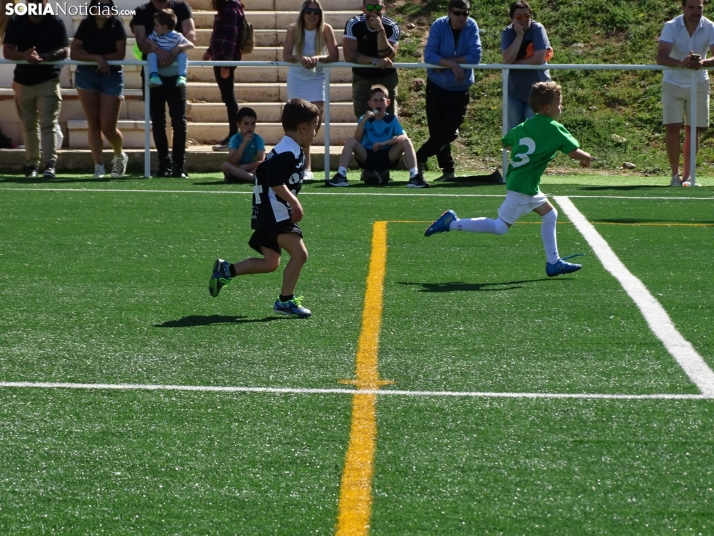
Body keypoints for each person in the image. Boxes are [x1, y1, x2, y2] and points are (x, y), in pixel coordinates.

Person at [425, 81, 592, 277]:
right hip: (523, 187)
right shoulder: (555, 128)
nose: (561, 106)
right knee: (500, 227)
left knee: (550, 214)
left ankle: (553, 262)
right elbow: (573, 153)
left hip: (523, 182)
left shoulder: (525, 126)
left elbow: (507, 143)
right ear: (547, 108)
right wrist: (587, 157)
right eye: (559, 103)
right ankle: (452, 222)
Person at [208, 99, 320, 318]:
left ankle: (226, 270)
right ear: (303, 127)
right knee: (300, 254)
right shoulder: (288, 151)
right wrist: (294, 203)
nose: (315, 133)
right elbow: (274, 180)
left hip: (268, 212)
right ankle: (285, 301)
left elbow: (264, 172)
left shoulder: (288, 149)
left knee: (270, 263)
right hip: (275, 212)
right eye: (315, 127)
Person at [2, 0, 68, 178]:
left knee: (48, 125)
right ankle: (32, 165)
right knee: (28, 125)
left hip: (48, 79)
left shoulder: (55, 21)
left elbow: (63, 50)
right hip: (23, 81)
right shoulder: (16, 20)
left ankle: (49, 164)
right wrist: (24, 55)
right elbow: (7, 51)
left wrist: (44, 57)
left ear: (46, 2)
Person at [417, 0, 481, 181]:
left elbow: (475, 57)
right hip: (436, 85)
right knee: (436, 130)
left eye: (465, 13)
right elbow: (429, 55)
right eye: (457, 13)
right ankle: (447, 170)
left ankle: (417, 158)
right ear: (449, 12)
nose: (461, 17)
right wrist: (452, 64)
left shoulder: (472, 26)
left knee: (448, 131)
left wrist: (443, 61)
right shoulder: (439, 25)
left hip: (460, 88)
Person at [132, 0, 196, 178]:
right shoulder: (142, 11)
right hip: (154, 77)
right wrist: (160, 52)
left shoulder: (181, 7)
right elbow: (141, 41)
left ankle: (179, 166)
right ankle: (164, 164)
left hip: (176, 77)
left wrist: (175, 50)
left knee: (179, 121)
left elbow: (191, 36)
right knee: (158, 122)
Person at [656, 0, 714, 187]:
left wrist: (702, 63)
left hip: (699, 83)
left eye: (699, 8)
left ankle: (688, 177)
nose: (696, 11)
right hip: (673, 82)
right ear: (683, 8)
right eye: (691, 7)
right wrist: (681, 62)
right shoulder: (671, 26)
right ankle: (675, 176)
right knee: (672, 128)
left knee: (693, 129)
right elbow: (661, 57)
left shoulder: (710, 26)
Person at [70, 0, 129, 178]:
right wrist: (97, 59)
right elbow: (74, 52)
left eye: (108, 5)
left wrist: (98, 59)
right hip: (86, 75)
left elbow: (120, 54)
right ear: (93, 8)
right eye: (101, 5)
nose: (105, 9)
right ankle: (99, 166)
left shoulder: (116, 24)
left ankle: (119, 155)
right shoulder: (86, 24)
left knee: (108, 127)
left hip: (111, 76)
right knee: (93, 124)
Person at [327, 84, 427, 188]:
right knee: (351, 141)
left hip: (387, 156)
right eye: (375, 100)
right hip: (367, 156)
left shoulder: (392, 119)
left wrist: (384, 143)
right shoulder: (364, 118)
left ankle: (414, 177)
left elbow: (403, 137)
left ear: (387, 102)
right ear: (370, 103)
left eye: (382, 100)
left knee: (406, 141)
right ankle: (341, 176)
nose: (378, 103)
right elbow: (357, 139)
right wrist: (363, 121)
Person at [282, 0, 339, 179]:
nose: (312, 15)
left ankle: (303, 163)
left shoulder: (326, 29)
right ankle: (305, 166)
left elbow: (334, 55)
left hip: (316, 77)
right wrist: (300, 58)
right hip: (297, 78)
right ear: (303, 12)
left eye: (316, 11)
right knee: (297, 122)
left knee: (315, 120)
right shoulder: (293, 29)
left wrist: (316, 58)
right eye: (308, 11)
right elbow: (286, 55)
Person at [342, 0, 400, 119]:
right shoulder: (353, 24)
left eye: (378, 7)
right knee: (363, 120)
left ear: (383, 8)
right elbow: (348, 55)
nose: (374, 10)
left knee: (388, 119)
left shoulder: (392, 26)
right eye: (369, 7)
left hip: (386, 77)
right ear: (363, 9)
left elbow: (387, 55)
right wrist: (374, 61)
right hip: (362, 76)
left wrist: (380, 30)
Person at [501, 1, 552, 131]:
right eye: (518, 17)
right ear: (511, 18)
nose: (523, 20)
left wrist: (514, 63)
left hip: (538, 92)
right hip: (514, 91)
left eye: (526, 16)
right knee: (515, 132)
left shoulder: (538, 29)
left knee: (533, 132)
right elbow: (508, 58)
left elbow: (538, 58)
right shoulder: (507, 33)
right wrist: (519, 35)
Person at [204, 0, 245, 151]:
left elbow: (231, 33)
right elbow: (220, 32)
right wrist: (210, 51)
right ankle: (234, 136)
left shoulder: (229, 6)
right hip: (221, 56)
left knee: (229, 97)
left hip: (224, 57)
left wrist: (226, 61)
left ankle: (234, 137)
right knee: (228, 96)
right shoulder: (229, 6)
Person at [145, 8, 194, 89]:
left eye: (156, 25)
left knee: (183, 55)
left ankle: (182, 77)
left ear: (165, 26)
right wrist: (152, 42)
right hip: (160, 66)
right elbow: (146, 39)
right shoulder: (155, 34)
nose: (154, 27)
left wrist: (179, 47)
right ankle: (154, 77)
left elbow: (191, 45)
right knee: (151, 55)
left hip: (173, 65)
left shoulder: (177, 36)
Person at [221, 107, 265, 183]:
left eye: (253, 123)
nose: (250, 127)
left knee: (263, 168)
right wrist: (243, 144)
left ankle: (237, 177)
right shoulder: (234, 139)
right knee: (225, 165)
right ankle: (252, 178)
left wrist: (244, 167)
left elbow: (261, 161)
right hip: (237, 167)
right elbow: (232, 161)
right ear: (238, 124)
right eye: (246, 123)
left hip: (251, 168)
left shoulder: (258, 139)